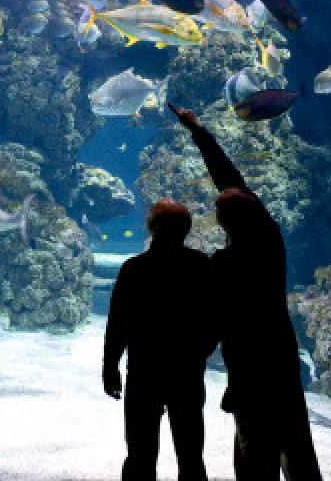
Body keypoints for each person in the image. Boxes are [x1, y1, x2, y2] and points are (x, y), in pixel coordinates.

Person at [168, 101, 324, 481]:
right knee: (297, 443)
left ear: (223, 224)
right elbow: (232, 182)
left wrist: (190, 358)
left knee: (254, 450)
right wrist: (200, 133)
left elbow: (212, 323)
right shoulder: (271, 243)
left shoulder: (222, 265)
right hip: (282, 357)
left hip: (248, 367)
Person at [103, 197, 218, 481]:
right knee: (191, 456)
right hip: (187, 372)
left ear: (151, 227)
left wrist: (110, 366)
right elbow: (215, 316)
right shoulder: (200, 265)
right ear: (186, 230)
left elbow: (117, 324)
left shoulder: (133, 269)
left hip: (144, 372)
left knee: (140, 456)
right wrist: (204, 349)